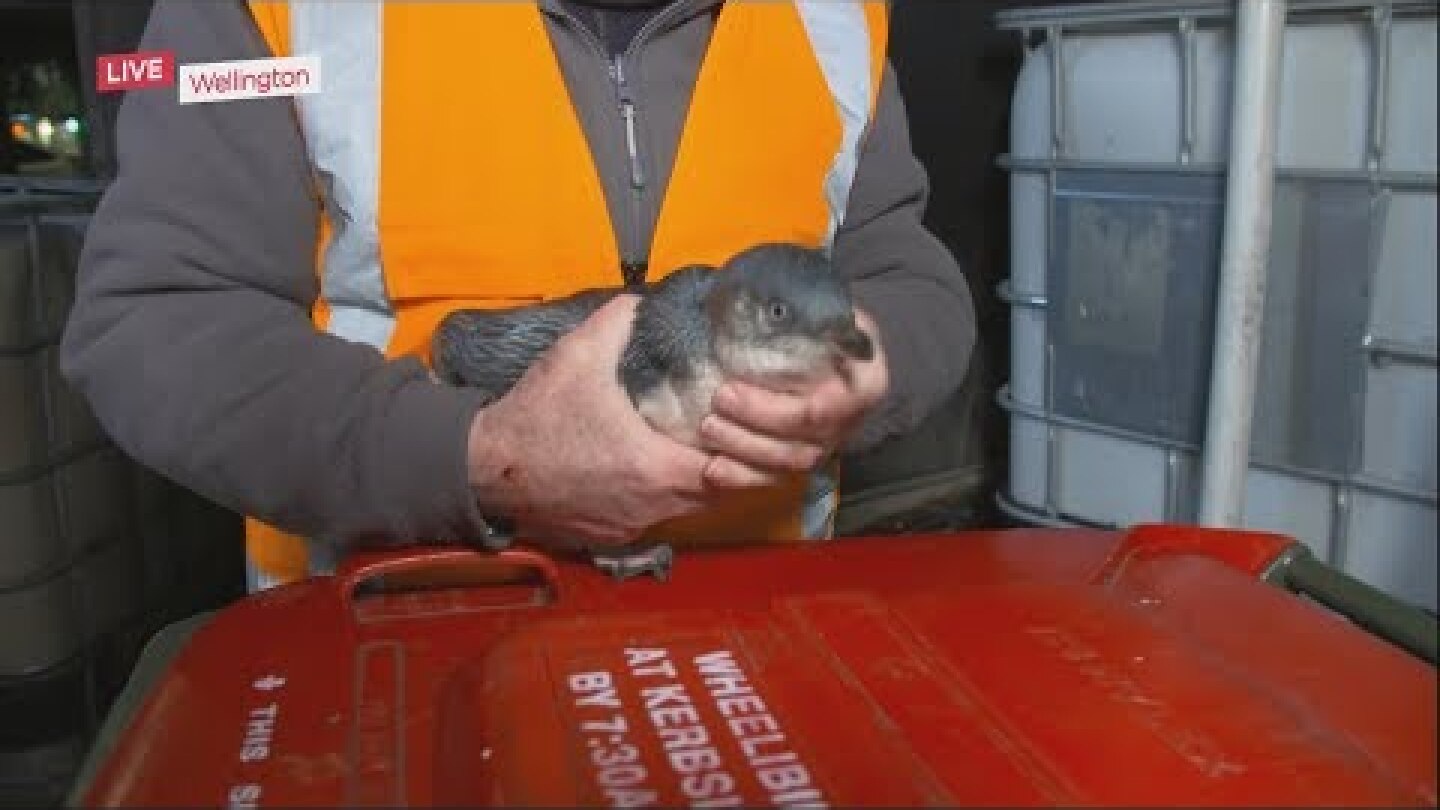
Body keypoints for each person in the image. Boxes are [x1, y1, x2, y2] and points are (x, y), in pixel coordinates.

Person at [60, 0, 976, 589]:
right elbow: (157, 320)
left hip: (754, 639)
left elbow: (907, 271)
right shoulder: (283, 20)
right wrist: (475, 458)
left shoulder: (835, 17)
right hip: (392, 637)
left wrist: (868, 365)